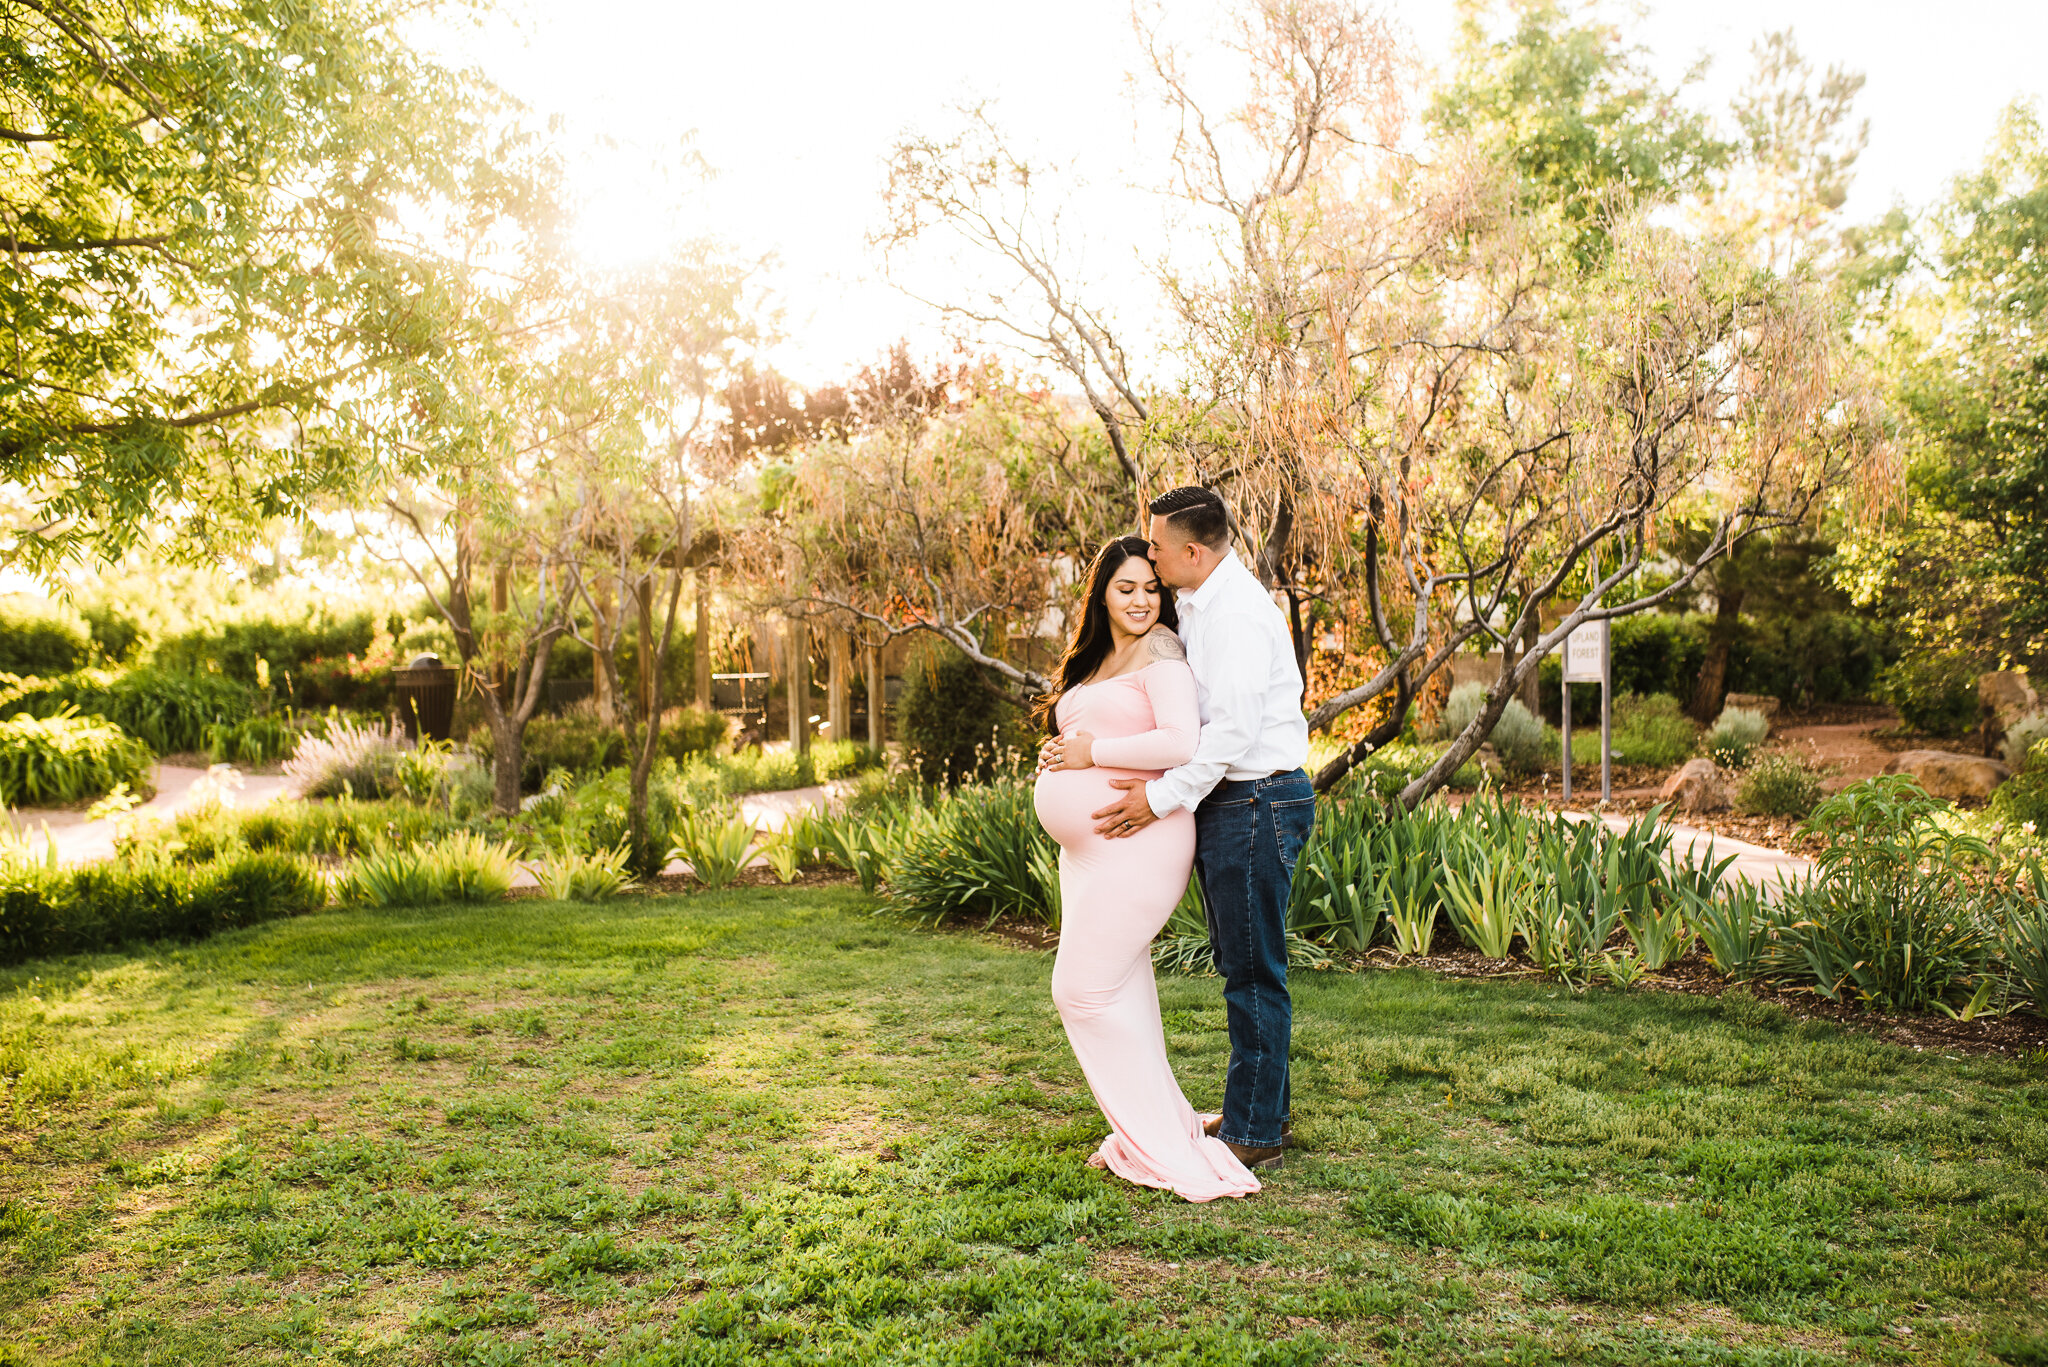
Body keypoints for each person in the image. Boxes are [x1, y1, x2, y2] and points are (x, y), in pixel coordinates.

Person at [1086, 486, 1313, 1173]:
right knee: (1241, 962)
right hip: (1237, 801)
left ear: (1191, 551)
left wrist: (1157, 798)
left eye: (1155, 545)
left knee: (1252, 973)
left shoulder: (1238, 616)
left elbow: (1230, 735)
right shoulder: (1200, 603)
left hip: (1256, 799)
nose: (1148, 555)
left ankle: (1255, 1131)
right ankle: (1258, 1106)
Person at [1033, 535, 1261, 1203]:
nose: (1140, 600)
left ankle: (1156, 1140)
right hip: (1089, 853)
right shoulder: (1097, 658)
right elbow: (1085, 737)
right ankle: (1152, 1127)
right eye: (1125, 587)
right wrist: (1063, 751)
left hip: (1142, 837)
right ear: (1102, 591)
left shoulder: (1162, 649)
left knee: (1079, 990)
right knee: (1124, 991)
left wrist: (1089, 751)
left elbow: (1179, 741)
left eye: (1149, 588)